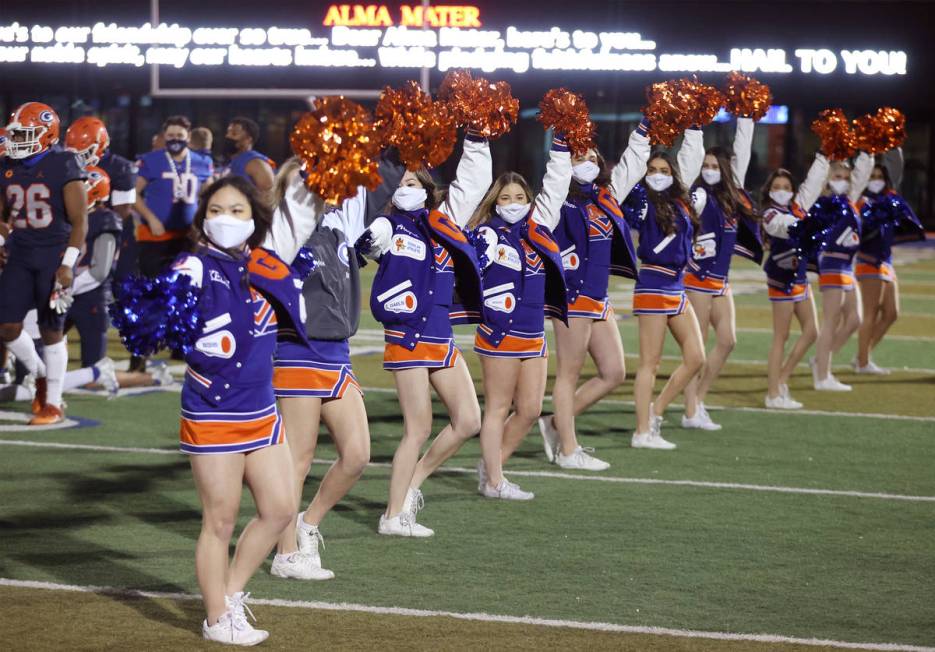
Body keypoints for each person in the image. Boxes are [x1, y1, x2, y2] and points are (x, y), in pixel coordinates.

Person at [137, 174, 321, 645]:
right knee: (219, 521)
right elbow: (157, 315)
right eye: (216, 210)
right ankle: (217, 619)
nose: (225, 219)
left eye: (237, 211)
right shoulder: (196, 267)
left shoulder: (263, 264)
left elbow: (300, 211)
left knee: (280, 511)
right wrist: (171, 314)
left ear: (253, 220)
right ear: (203, 219)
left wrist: (315, 170)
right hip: (214, 413)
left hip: (261, 411)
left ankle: (230, 594)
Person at [359, 130, 491, 537]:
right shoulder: (390, 225)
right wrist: (373, 238)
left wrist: (477, 138)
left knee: (469, 420)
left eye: (413, 183)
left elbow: (476, 180)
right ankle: (392, 515)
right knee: (416, 428)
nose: (406, 189)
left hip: (441, 336)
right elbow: (373, 241)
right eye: (400, 184)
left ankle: (412, 484)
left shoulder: (443, 225)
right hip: (408, 339)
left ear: (429, 189)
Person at [268, 158, 372, 581]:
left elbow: (362, 190)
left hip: (337, 353)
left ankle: (307, 524)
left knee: (358, 454)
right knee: (299, 458)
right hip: (297, 351)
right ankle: (285, 553)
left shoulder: (338, 225)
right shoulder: (287, 231)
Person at [538, 119, 651, 469]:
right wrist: (561, 145)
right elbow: (555, 178)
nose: (585, 161)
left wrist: (644, 132)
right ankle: (568, 450)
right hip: (572, 296)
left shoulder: (606, 197)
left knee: (614, 372)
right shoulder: (558, 201)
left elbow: (633, 165)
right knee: (568, 373)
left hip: (598, 297)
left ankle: (556, 422)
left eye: (590, 156)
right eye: (577, 157)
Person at [468, 133, 571, 499]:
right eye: (506, 198)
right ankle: (494, 480)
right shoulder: (487, 234)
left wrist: (561, 146)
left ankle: (491, 467)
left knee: (528, 410)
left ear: (530, 201)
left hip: (533, 333)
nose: (513, 203)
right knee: (497, 407)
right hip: (499, 333)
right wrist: (484, 248)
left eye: (520, 198)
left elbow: (557, 186)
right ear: (495, 202)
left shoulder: (537, 231)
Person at [0, 102, 88, 425]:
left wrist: (68, 263)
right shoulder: (7, 164)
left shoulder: (64, 162)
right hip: (20, 253)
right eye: (16, 134)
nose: (18, 140)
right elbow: (3, 217)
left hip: (54, 253)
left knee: (52, 329)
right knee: (6, 326)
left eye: (25, 133)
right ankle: (40, 374)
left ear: (46, 134)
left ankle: (53, 402)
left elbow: (80, 221)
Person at [627, 128, 709, 449]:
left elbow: (692, 160)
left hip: (677, 285)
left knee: (696, 357)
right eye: (652, 171)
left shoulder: (681, 202)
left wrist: (694, 128)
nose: (658, 176)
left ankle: (656, 411)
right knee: (650, 363)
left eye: (664, 171)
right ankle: (642, 432)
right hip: (653, 283)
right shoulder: (642, 201)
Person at [679, 118, 760, 430]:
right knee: (696, 349)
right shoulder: (698, 196)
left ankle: (699, 398)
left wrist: (747, 118)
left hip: (720, 281)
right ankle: (690, 410)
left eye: (715, 165)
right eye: (706, 164)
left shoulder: (732, 196)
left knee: (727, 341)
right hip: (697, 279)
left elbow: (743, 152)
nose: (710, 169)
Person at [760, 152, 830, 408]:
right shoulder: (769, 214)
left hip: (799, 276)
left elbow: (811, 185)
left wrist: (825, 156)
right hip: (781, 277)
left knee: (812, 331)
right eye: (777, 187)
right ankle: (772, 394)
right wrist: (807, 224)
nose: (782, 191)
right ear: (769, 190)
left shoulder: (797, 207)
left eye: (786, 187)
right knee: (782, 336)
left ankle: (782, 379)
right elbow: (781, 225)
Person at [854, 153, 923, 374]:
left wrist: (894, 147)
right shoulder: (861, 201)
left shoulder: (889, 198)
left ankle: (862, 356)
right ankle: (863, 363)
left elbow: (897, 169)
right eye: (872, 175)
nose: (876, 179)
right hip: (868, 261)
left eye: (879, 176)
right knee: (870, 314)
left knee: (892, 313)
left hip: (886, 261)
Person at [810, 153, 873, 391]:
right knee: (831, 321)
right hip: (832, 263)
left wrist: (869, 152)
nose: (844, 181)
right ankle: (822, 375)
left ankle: (821, 360)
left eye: (846, 177)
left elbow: (862, 174)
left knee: (854, 319)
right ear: (828, 178)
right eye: (838, 176)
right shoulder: (824, 203)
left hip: (848, 265)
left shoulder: (848, 200)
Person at [134, 115, 214, 278]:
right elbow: (132, 193)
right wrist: (151, 219)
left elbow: (211, 198)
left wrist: (201, 224)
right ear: (164, 137)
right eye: (170, 136)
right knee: (152, 286)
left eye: (180, 135)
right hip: (155, 236)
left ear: (188, 137)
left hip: (188, 237)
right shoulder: (151, 160)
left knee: (186, 286)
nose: (175, 139)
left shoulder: (202, 162)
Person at [224, 117, 275, 193]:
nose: (228, 136)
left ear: (248, 139)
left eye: (234, 134)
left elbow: (270, 197)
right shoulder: (232, 161)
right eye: (228, 133)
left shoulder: (256, 163)